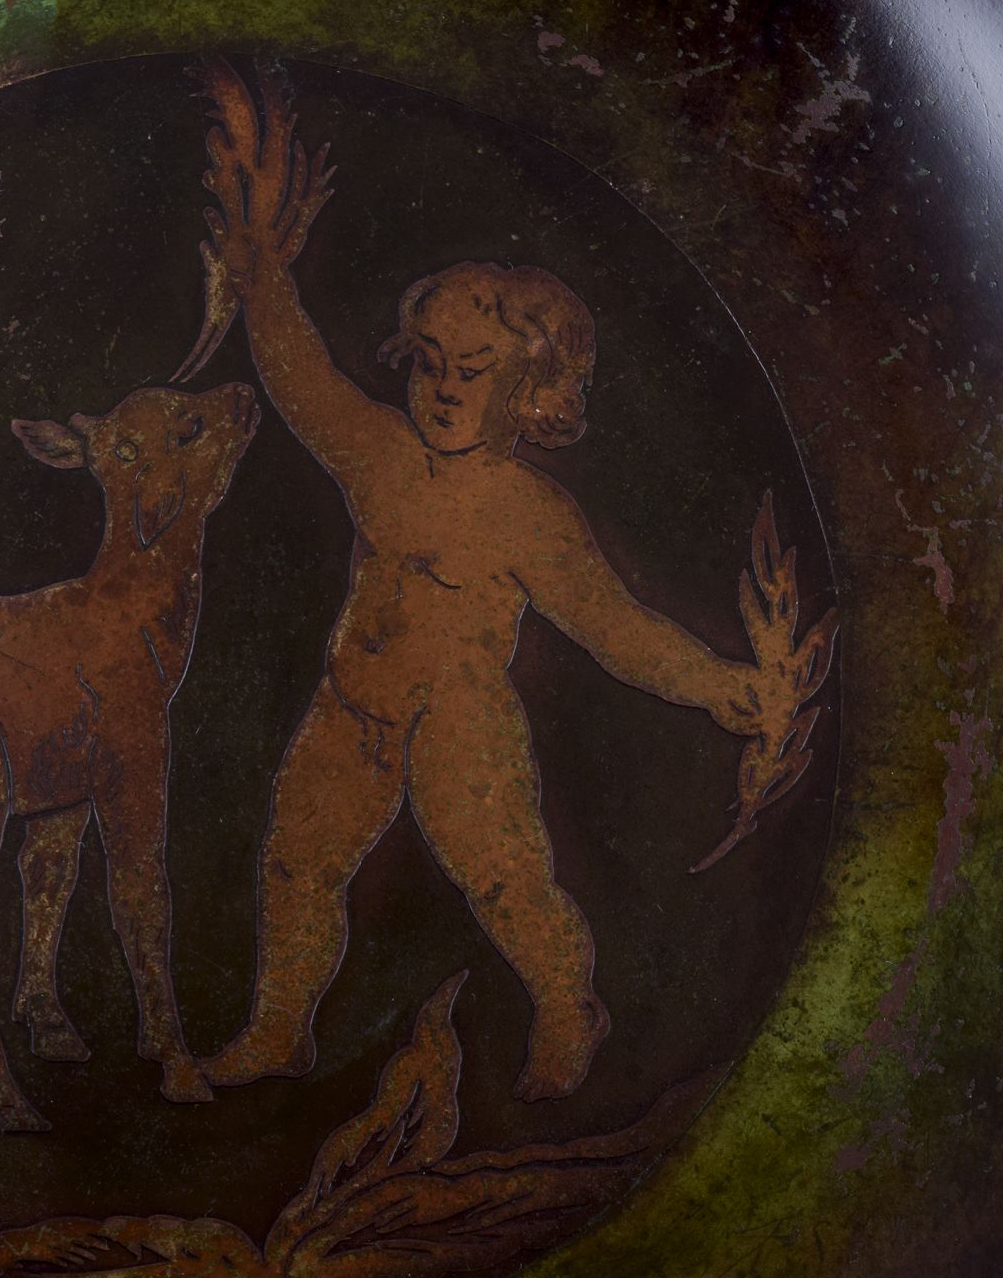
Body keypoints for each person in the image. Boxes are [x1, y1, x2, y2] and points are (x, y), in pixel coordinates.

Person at [189, 68, 766, 1100]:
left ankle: (566, 1004)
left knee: (505, 881)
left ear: (532, 390)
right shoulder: (377, 453)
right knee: (296, 864)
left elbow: (614, 626)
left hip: (459, 722)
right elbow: (302, 377)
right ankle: (279, 1027)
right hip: (353, 705)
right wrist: (264, 281)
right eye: (430, 363)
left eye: (477, 370)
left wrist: (716, 682)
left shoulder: (528, 512)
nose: (445, 390)